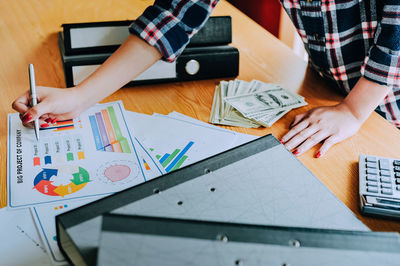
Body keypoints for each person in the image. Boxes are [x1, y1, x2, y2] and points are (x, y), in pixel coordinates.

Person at [12, 0, 399, 158]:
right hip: (328, 88)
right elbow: (175, 14)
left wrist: (353, 109)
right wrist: (82, 96)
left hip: (385, 105)